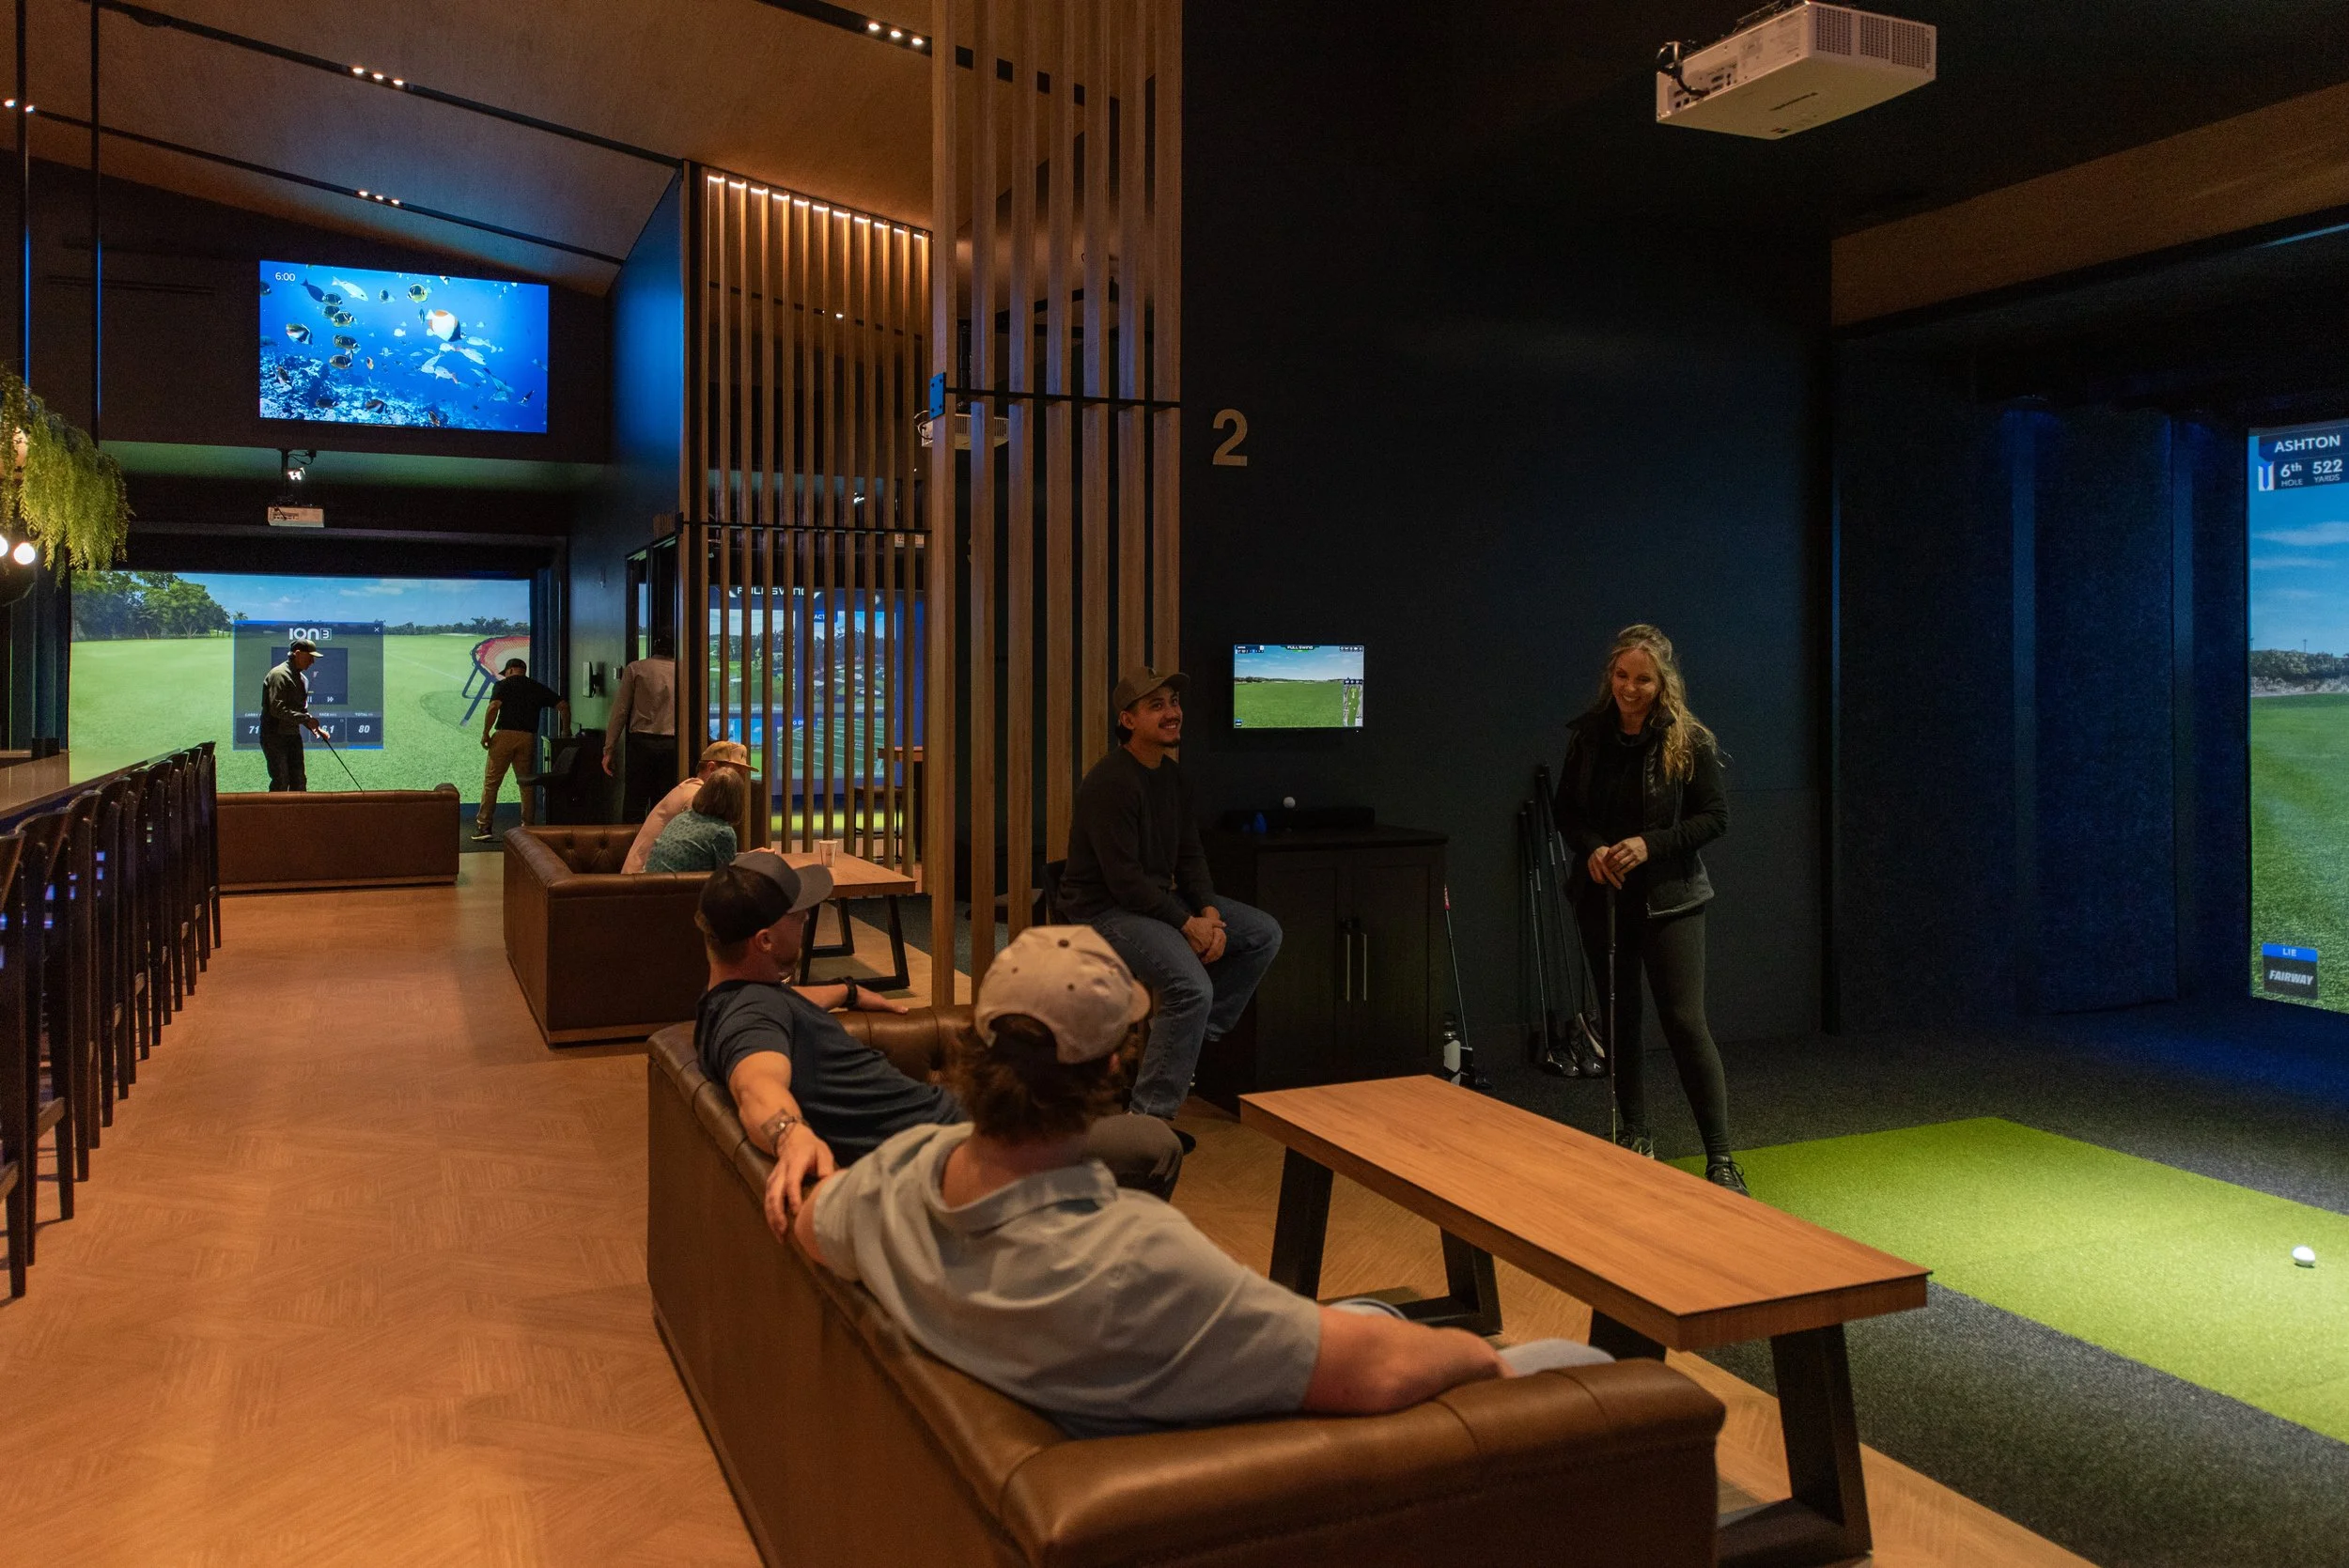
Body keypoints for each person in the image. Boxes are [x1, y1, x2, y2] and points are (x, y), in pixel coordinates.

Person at [790, 923, 1610, 1438]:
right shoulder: (1134, 1261)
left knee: (1373, 1313)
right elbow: (1378, 1373)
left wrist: (792, 1145)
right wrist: (1484, 1362)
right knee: (1580, 1361)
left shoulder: (892, 1184)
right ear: (1112, 1066)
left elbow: (804, 1220)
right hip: (1255, 1476)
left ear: (975, 1040)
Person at [693, 856, 1182, 1223]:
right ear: (763, 941)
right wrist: (789, 1134)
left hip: (956, 1123)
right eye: (798, 918)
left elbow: (775, 1010)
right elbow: (757, 1082)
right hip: (961, 1150)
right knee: (1153, 1143)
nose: (806, 922)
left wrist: (846, 989)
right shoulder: (751, 1018)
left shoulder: (735, 998)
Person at [1552, 624, 1747, 1195]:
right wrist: (1590, 850)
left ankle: (1721, 1158)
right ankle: (1635, 1136)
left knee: (1685, 1023)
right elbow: (1567, 811)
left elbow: (1715, 817)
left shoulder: (1687, 739)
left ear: (1663, 682)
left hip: (1672, 900)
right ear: (1609, 675)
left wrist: (1648, 844)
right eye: (1621, 676)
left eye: (1642, 679)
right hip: (1604, 897)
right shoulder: (1588, 736)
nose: (1630, 689)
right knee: (1620, 1020)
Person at [1057, 667, 1282, 1136]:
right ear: (1128, 720)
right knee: (1191, 989)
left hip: (1155, 900)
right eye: (1156, 706)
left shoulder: (1173, 779)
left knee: (1262, 933)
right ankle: (1149, 1120)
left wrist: (1211, 914)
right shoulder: (1110, 783)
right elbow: (1124, 883)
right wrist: (1188, 924)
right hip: (1102, 910)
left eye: (1174, 703)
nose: (1172, 713)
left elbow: (1190, 854)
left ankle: (1193, 1037)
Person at [474, 658, 570, 843]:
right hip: (527, 738)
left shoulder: (503, 685)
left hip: (503, 736)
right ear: (523, 670)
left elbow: (494, 707)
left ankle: (484, 826)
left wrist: (486, 732)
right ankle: (528, 827)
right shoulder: (536, 687)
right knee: (526, 783)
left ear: (509, 670)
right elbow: (563, 706)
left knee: (492, 783)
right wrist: (566, 731)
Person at [625, 740, 751, 874]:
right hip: (643, 882)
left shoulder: (689, 787)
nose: (740, 781)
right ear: (712, 768)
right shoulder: (697, 798)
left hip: (648, 878)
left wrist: (748, 857)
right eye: (736, 773)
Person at [604, 635, 679, 821]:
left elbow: (620, 711)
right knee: (665, 805)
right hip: (673, 745)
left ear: (654, 646)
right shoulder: (683, 670)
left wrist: (609, 748)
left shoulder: (636, 668)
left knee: (635, 802)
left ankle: (629, 845)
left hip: (642, 744)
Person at [644, 766, 747, 873]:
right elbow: (725, 880)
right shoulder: (723, 833)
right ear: (736, 801)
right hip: (680, 889)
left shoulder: (682, 817)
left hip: (648, 885)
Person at [257, 636, 329, 792]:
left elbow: (300, 709)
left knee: (299, 781)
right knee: (281, 780)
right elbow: (277, 709)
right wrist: (306, 719)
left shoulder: (301, 678)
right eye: (310, 657)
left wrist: (314, 728)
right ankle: (276, 816)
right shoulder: (279, 675)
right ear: (297, 653)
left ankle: (299, 815)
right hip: (274, 736)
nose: (312, 662)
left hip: (291, 735)